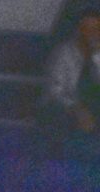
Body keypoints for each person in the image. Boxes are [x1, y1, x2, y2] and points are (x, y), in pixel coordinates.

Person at [40, 10, 100, 158]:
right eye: (87, 28)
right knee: (58, 116)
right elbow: (54, 90)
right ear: (79, 30)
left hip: (92, 106)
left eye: (96, 29)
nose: (92, 33)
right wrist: (76, 108)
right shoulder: (63, 52)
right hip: (62, 107)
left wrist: (96, 56)